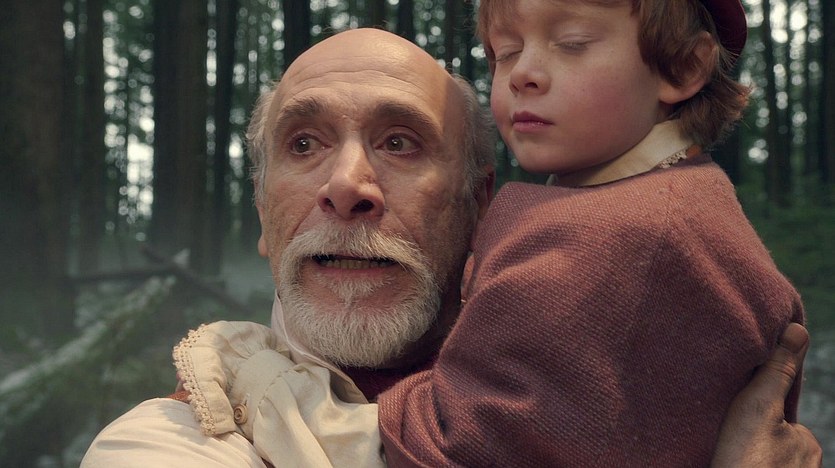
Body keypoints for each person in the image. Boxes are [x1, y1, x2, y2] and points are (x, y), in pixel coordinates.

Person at [81, 28, 822, 467]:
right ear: (262, 217)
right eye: (303, 143)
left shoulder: (632, 378)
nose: (346, 186)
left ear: (482, 204)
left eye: (400, 142)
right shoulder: (171, 443)